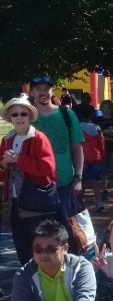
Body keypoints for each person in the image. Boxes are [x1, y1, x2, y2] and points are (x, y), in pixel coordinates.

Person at [0, 94, 59, 264]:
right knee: (22, 248)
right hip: (15, 202)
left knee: (42, 247)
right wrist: (4, 162)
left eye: (23, 114)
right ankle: (28, 286)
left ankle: (46, 285)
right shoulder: (7, 139)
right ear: (10, 118)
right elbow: (2, 171)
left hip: (37, 203)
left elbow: (48, 169)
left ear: (30, 116)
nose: (19, 118)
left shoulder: (39, 138)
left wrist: (19, 159)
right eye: (15, 114)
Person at [29, 75, 84, 219]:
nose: (43, 92)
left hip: (64, 182)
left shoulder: (67, 114)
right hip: (37, 185)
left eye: (46, 89)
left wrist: (78, 177)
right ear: (31, 92)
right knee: (41, 231)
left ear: (52, 91)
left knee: (66, 228)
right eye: (38, 89)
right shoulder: (27, 117)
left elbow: (77, 147)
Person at [78, 107, 106, 212]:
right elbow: (101, 144)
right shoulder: (96, 128)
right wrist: (103, 156)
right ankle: (99, 203)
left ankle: (79, 201)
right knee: (95, 182)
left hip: (82, 158)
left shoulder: (77, 127)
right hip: (95, 157)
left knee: (82, 182)